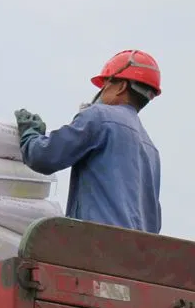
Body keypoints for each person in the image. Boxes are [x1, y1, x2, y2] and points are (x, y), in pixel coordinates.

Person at [15, 50, 162, 233]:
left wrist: (30, 135)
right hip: (136, 255)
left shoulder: (100, 117)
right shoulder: (151, 150)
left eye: (106, 84)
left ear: (121, 86)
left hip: (97, 245)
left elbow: (44, 156)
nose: (101, 92)